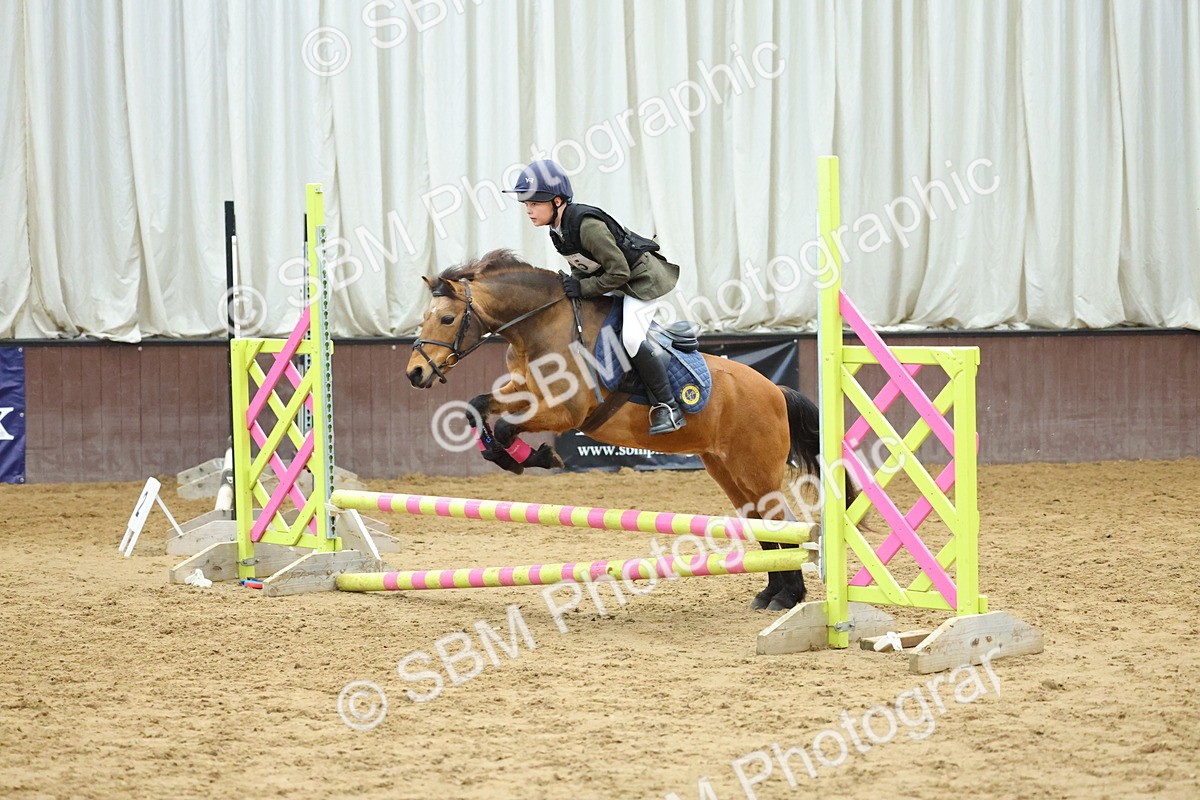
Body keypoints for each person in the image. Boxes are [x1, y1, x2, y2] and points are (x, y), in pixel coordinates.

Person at [504, 159, 685, 435]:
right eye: (526, 205)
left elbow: (620, 272)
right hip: (612, 281)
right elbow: (582, 268)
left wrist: (584, 289)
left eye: (534, 203)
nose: (528, 210)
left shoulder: (586, 225)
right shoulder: (557, 229)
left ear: (557, 201)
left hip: (639, 282)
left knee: (632, 338)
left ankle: (668, 406)